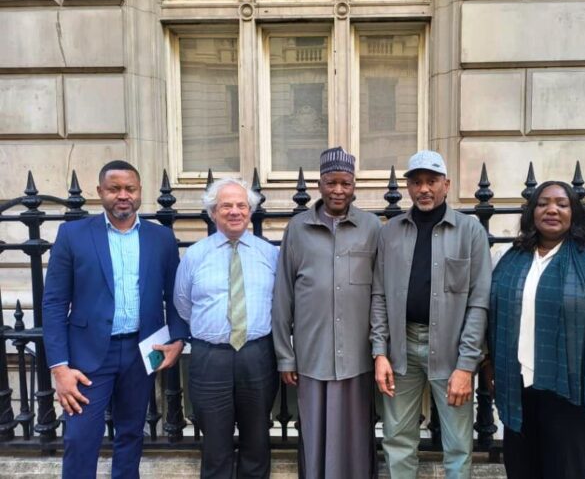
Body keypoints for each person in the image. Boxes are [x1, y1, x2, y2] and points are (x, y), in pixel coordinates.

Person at [42, 160, 188, 479]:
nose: (123, 195)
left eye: (130, 189)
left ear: (139, 193)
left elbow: (175, 295)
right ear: (100, 192)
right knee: (81, 439)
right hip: (88, 356)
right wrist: (59, 367)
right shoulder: (73, 235)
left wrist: (177, 339)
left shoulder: (160, 238)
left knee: (131, 435)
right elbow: (53, 303)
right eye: (114, 188)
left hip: (142, 351)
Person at [488, 180, 585, 479]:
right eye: (543, 203)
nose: (551, 209)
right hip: (517, 385)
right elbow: (494, 315)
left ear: (574, 213)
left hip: (571, 390)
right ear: (532, 212)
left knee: (565, 469)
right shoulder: (510, 259)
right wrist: (489, 363)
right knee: (521, 468)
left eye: (562, 204)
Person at [370, 150, 491, 479]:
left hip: (451, 351)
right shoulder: (390, 232)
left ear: (446, 184)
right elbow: (378, 293)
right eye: (417, 182)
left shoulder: (470, 232)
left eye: (432, 181)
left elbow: (479, 302)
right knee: (397, 438)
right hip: (401, 347)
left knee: (457, 443)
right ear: (408, 187)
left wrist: (466, 365)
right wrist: (379, 352)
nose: (424, 189)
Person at [272, 146, 381, 479]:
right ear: (319, 184)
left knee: (356, 433)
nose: (338, 190)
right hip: (312, 354)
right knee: (315, 434)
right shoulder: (298, 229)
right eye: (331, 182)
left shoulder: (371, 227)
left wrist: (380, 350)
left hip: (356, 355)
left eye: (345, 183)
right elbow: (282, 294)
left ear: (354, 185)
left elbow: (381, 292)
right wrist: (285, 356)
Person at [174, 178, 278, 479]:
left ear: (250, 210)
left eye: (241, 205)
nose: (234, 211)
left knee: (256, 441)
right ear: (213, 213)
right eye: (226, 206)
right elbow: (183, 303)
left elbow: (281, 301)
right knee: (215, 445)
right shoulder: (195, 255)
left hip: (257, 355)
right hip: (210, 358)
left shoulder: (269, 253)